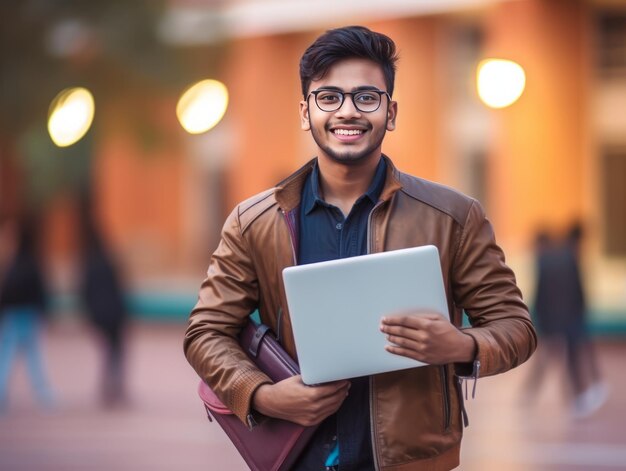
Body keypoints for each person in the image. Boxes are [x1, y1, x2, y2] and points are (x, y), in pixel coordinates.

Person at [184, 26, 537, 470]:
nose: (346, 112)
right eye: (328, 97)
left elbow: (516, 327)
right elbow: (205, 332)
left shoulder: (453, 216)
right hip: (300, 457)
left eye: (366, 98)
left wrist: (462, 346)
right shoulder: (253, 222)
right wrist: (264, 395)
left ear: (390, 112)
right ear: (305, 111)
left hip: (414, 462)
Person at [0, 215, 55, 412]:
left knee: (11, 355)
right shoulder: (18, 260)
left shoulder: (21, 262)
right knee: (28, 356)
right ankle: (43, 393)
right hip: (22, 314)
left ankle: (42, 393)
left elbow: (19, 290)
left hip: (20, 315)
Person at [78, 201, 129, 407]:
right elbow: (120, 286)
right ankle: (115, 387)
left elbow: (84, 292)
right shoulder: (109, 259)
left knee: (108, 351)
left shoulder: (88, 263)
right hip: (115, 314)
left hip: (100, 315)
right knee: (117, 351)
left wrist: (90, 315)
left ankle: (108, 387)